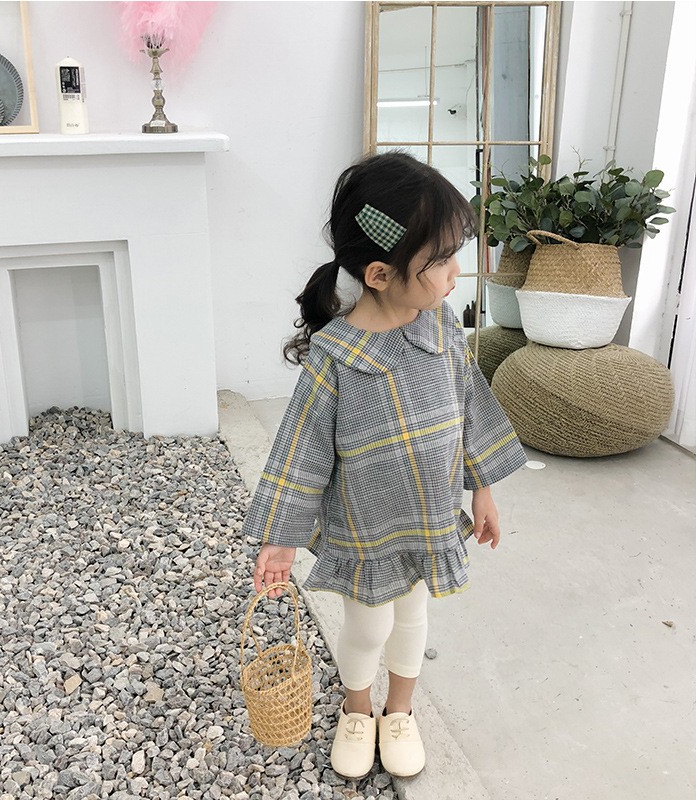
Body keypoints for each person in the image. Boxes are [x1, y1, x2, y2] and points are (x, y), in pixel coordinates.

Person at [243, 152, 526, 779]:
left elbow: (469, 401)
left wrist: (482, 486)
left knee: (412, 619)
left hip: (427, 517)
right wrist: (281, 539)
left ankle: (400, 711)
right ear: (378, 273)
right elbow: (300, 453)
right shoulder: (336, 358)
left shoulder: (441, 327)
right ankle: (357, 710)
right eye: (441, 261)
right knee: (368, 628)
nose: (456, 273)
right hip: (366, 531)